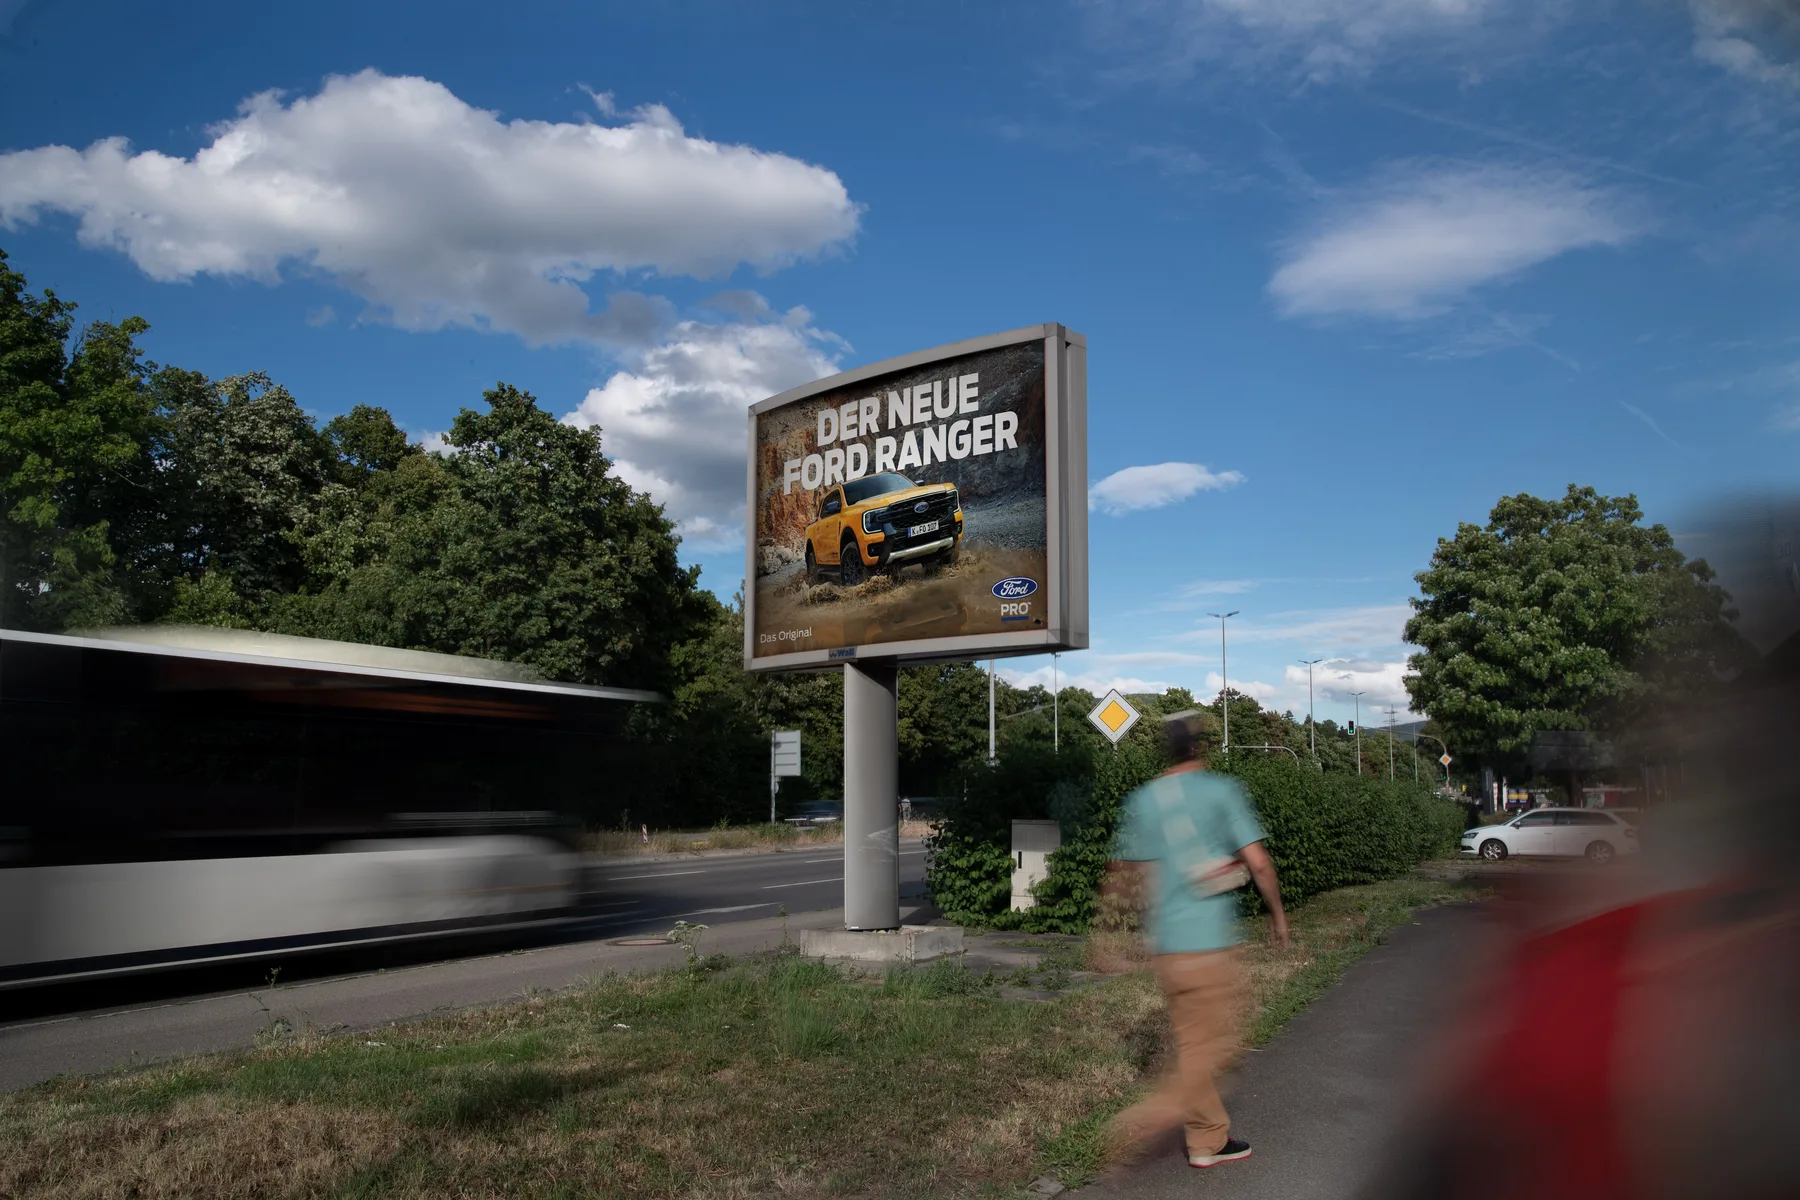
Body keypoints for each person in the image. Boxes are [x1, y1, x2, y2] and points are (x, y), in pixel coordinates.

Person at [1102, 710, 1289, 1170]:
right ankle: (1142, 1122)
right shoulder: (1221, 791)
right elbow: (1259, 863)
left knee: (1193, 1047)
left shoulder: (1145, 800)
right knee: (1220, 1044)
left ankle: (1207, 1140)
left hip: (1167, 946)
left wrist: (1110, 937)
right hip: (1209, 947)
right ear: (1200, 747)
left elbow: (1125, 875)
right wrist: (1278, 915)